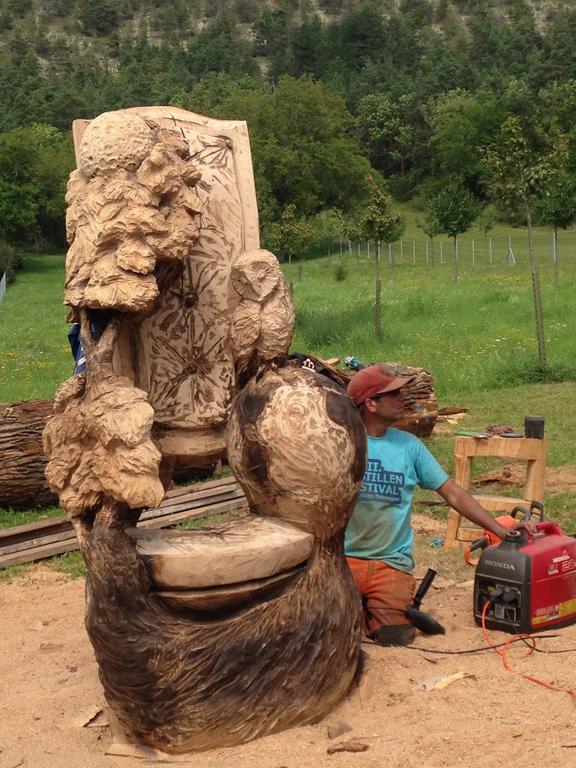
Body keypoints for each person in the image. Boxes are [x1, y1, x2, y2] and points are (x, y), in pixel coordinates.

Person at [345, 364, 536, 647]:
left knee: (393, 637)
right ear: (370, 403)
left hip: (390, 563)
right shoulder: (342, 443)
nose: (403, 398)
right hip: (341, 561)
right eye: (394, 393)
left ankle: (376, 611)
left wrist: (500, 529)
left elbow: (453, 494)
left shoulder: (409, 446)